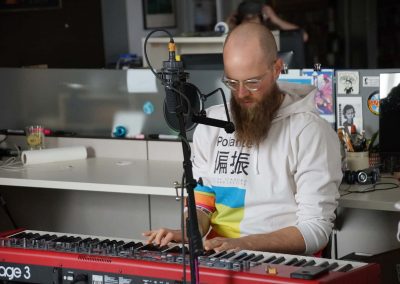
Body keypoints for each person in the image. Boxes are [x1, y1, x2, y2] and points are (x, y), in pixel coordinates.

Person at [143, 23, 342, 256]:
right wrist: (190, 232)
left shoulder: (309, 130)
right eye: (232, 82)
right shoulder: (212, 124)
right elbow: (202, 204)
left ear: (277, 69)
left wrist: (244, 245)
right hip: (218, 257)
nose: (241, 94)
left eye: (252, 82)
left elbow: (316, 229)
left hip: (280, 263)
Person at [227, 0, 309, 42]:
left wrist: (276, 19)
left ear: (262, 18)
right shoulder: (236, 37)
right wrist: (227, 26)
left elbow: (304, 36)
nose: (250, 23)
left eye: (254, 18)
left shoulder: (272, 36)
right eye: (247, 19)